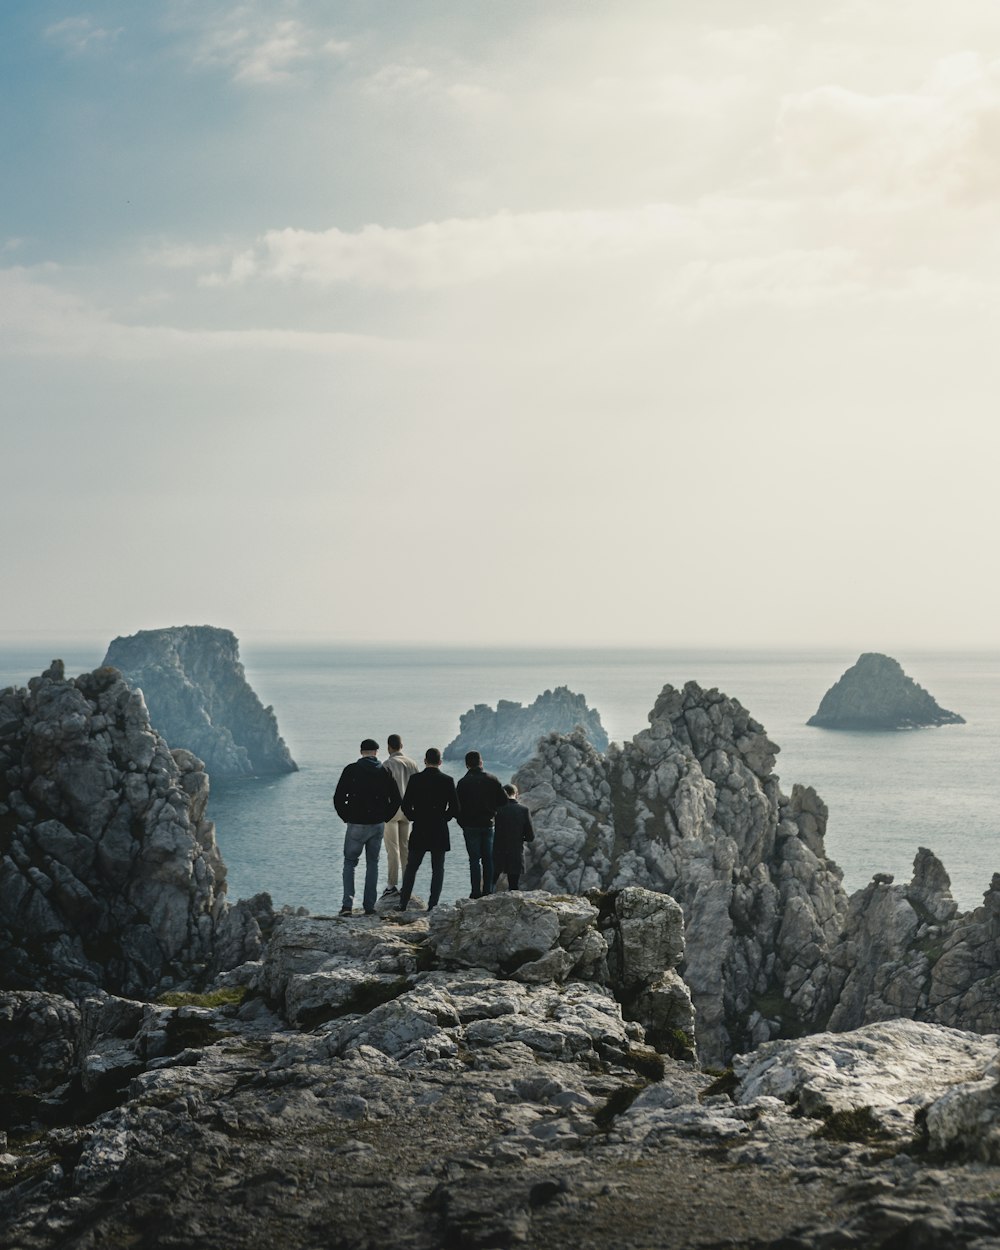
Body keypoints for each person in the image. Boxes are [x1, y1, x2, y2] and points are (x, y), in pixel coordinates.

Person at [333, 738, 401, 916]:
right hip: (377, 824)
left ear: (361, 751)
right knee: (373, 864)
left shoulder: (351, 770)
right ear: (376, 752)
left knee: (350, 863)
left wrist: (346, 816)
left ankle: (347, 906)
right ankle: (369, 907)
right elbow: (396, 799)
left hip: (356, 823)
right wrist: (384, 817)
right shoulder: (385, 771)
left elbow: (338, 797)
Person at [397, 747, 460, 912]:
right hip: (439, 829)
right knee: (438, 869)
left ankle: (403, 903)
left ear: (425, 761)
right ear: (440, 762)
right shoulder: (447, 780)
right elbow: (455, 807)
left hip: (420, 828)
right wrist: (443, 818)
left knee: (412, 868)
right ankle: (433, 905)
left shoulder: (415, 779)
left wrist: (414, 817)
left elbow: (405, 805)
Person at [455, 750, 507, 899]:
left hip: (470, 826)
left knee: (474, 860)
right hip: (488, 824)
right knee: (488, 859)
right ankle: (488, 890)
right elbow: (503, 801)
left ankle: (475, 892)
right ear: (481, 762)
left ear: (466, 765)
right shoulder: (492, 779)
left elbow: (456, 807)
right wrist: (493, 811)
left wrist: (462, 823)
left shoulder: (462, 783)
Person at [381, 733, 419, 899]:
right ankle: (407, 883)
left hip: (391, 811)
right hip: (408, 811)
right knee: (405, 848)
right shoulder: (412, 764)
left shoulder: (387, 764)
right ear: (401, 746)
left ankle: (391, 885)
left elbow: (382, 791)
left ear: (389, 747)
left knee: (392, 849)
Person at [492, 783, 535, 891]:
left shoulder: (497, 809)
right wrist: (520, 838)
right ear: (516, 794)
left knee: (491, 882)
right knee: (513, 886)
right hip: (515, 850)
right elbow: (530, 836)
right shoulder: (524, 810)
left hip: (497, 850)